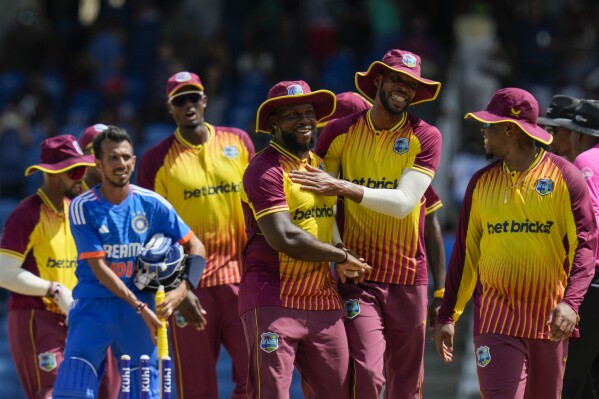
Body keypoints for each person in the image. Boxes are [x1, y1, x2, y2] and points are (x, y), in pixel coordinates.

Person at [289, 49, 443, 399]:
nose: (403, 88)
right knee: (369, 375)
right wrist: (340, 253)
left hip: (409, 278)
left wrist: (345, 187)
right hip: (360, 276)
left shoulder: (427, 136)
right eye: (396, 79)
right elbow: (322, 202)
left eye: (411, 83)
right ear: (378, 80)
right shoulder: (340, 133)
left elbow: (405, 204)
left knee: (407, 388)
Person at [434, 88, 597, 398]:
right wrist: (447, 316)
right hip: (495, 323)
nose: (483, 131)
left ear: (510, 129)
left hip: (548, 323)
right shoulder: (480, 183)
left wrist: (571, 303)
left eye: (489, 125)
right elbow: (466, 256)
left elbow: (586, 247)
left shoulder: (566, 177)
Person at [52, 126, 207, 398]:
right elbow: (100, 269)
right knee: (72, 389)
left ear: (134, 161)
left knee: (144, 392)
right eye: (112, 158)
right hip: (94, 307)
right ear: (98, 165)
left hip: (141, 310)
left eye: (125, 157)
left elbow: (197, 246)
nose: (120, 163)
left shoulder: (153, 203)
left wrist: (182, 290)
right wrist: (139, 307)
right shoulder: (83, 206)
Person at [240, 80, 371, 398]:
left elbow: (324, 222)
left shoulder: (319, 166)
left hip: (322, 299)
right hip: (272, 297)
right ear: (273, 124)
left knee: (340, 392)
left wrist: (339, 249)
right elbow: (282, 236)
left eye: (309, 112)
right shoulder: (264, 169)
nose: (304, 120)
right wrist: (340, 257)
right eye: (292, 114)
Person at [137, 71, 255, 399]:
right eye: (179, 100)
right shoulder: (155, 160)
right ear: (170, 108)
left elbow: (260, 208)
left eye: (193, 97)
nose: (188, 105)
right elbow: (149, 235)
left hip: (242, 282)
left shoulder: (239, 142)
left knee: (256, 379)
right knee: (196, 388)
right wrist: (176, 286)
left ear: (205, 100)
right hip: (190, 287)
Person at [317, 90, 447, 333]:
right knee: (362, 366)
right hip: (354, 278)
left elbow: (431, 226)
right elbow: (322, 215)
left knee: (402, 370)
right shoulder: (330, 167)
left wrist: (440, 293)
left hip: (406, 281)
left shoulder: (409, 171)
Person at [0, 134, 118, 399]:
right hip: (37, 317)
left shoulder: (78, 210)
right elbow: (3, 273)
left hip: (78, 317)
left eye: (83, 170)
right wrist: (53, 290)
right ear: (52, 174)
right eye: (74, 171)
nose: (82, 177)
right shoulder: (27, 213)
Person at [561, 99, 599, 399]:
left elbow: (591, 219)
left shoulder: (584, 160)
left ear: (582, 136)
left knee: (568, 380)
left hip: (592, 284)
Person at [537, 95, 581, 162]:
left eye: (551, 130)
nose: (548, 137)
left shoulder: (591, 165)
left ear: (572, 130)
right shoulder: (552, 165)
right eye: (546, 130)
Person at [78, 123, 109, 189]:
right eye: (96, 150)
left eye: (109, 150)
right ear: (82, 154)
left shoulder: (124, 193)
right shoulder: (71, 194)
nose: (103, 157)